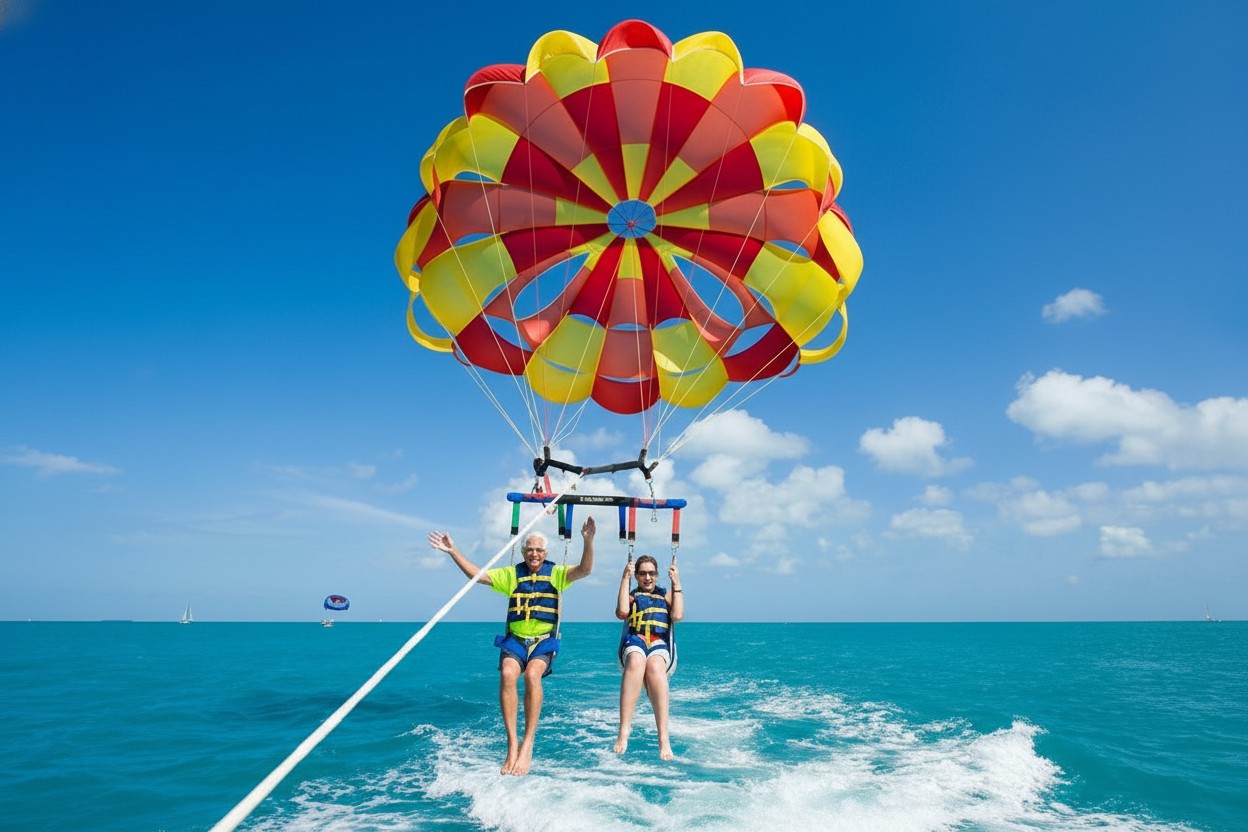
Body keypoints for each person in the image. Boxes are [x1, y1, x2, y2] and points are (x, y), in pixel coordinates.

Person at [427, 517, 595, 776]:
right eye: (530, 549)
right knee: (507, 674)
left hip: (543, 641)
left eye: (539, 550)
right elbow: (477, 575)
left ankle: (528, 743)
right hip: (515, 640)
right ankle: (512, 743)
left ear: (546, 553)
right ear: (523, 551)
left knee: (532, 675)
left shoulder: (557, 574)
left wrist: (588, 541)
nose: (534, 554)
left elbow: (585, 570)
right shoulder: (512, 575)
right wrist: (453, 551)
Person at [613, 554, 683, 760]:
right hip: (635, 641)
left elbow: (677, 616)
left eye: (651, 573)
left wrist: (676, 582)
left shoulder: (666, 596)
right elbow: (622, 612)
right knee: (636, 661)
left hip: (659, 643)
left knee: (654, 666)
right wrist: (624, 578)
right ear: (636, 576)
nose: (647, 578)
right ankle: (624, 730)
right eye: (642, 574)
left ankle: (663, 738)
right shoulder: (632, 596)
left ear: (657, 575)